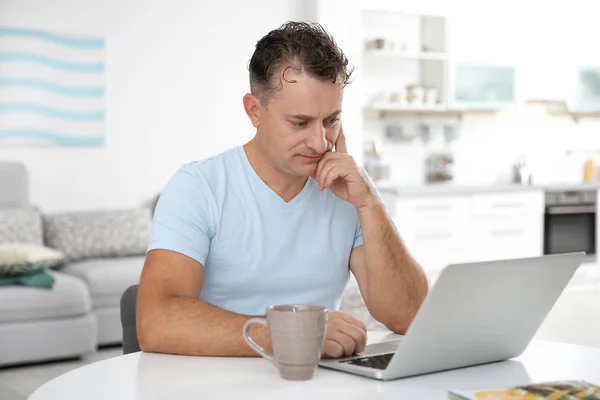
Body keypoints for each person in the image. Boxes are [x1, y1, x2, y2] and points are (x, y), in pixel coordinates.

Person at [136, 21, 429, 359]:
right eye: (300, 123)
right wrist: (294, 334)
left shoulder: (350, 191)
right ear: (254, 110)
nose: (320, 142)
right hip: (214, 381)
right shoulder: (198, 187)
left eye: (331, 120)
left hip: (315, 382)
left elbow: (409, 316)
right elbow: (155, 322)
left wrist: (369, 204)